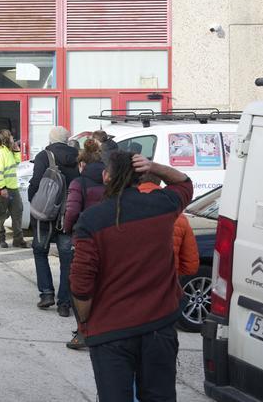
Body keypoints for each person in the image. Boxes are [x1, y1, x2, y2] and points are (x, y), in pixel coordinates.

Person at [70, 152, 193, 401]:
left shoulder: (92, 219)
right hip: (159, 326)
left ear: (106, 177)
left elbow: (81, 285)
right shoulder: (162, 205)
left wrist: (84, 321)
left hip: (111, 331)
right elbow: (184, 183)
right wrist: (154, 167)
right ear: (140, 175)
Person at [27, 126, 79, 314]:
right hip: (69, 214)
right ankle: (64, 303)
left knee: (40, 251)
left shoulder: (44, 156)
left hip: (46, 214)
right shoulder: (78, 156)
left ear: (50, 139)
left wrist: (35, 204)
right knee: (67, 257)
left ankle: (47, 293)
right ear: (67, 140)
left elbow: (35, 184)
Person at [61, 139, 105, 351]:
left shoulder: (79, 183)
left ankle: (82, 331)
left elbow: (71, 211)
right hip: (108, 237)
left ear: (82, 164)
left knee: (80, 286)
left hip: (85, 239)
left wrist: (68, 229)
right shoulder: (110, 180)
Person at [138, 173, 199, 276]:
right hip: (166, 283)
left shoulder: (120, 209)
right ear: (159, 181)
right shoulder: (180, 216)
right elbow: (190, 267)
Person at [0, 129, 25, 249]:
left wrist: (16, 151)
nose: (12, 138)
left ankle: (18, 240)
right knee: (0, 215)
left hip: (12, 188)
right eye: (10, 136)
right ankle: (1, 240)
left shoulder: (8, 151)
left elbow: (17, 163)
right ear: (5, 139)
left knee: (17, 212)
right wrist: (3, 187)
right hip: (0, 189)